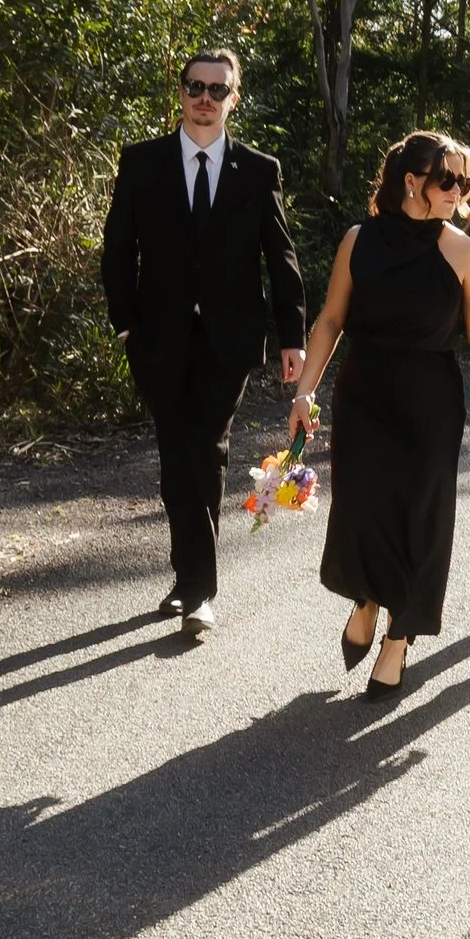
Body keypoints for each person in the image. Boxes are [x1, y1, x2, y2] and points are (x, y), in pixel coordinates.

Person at [294, 130, 470, 700]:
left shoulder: (465, 253)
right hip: (364, 393)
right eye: (448, 179)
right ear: (411, 180)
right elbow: (329, 321)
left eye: (465, 182)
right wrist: (304, 392)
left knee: (421, 519)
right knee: (364, 511)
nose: (458, 191)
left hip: (429, 401)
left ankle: (399, 636)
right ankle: (368, 597)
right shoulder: (358, 239)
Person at [100, 47, 305, 638]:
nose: (205, 99)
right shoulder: (142, 163)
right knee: (175, 457)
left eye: (218, 89)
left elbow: (281, 256)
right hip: (156, 336)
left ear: (233, 98)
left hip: (228, 338)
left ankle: (198, 592)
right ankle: (186, 572)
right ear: (182, 92)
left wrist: (291, 336)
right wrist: (125, 321)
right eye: (196, 87)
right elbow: (118, 250)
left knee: (206, 447)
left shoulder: (258, 170)